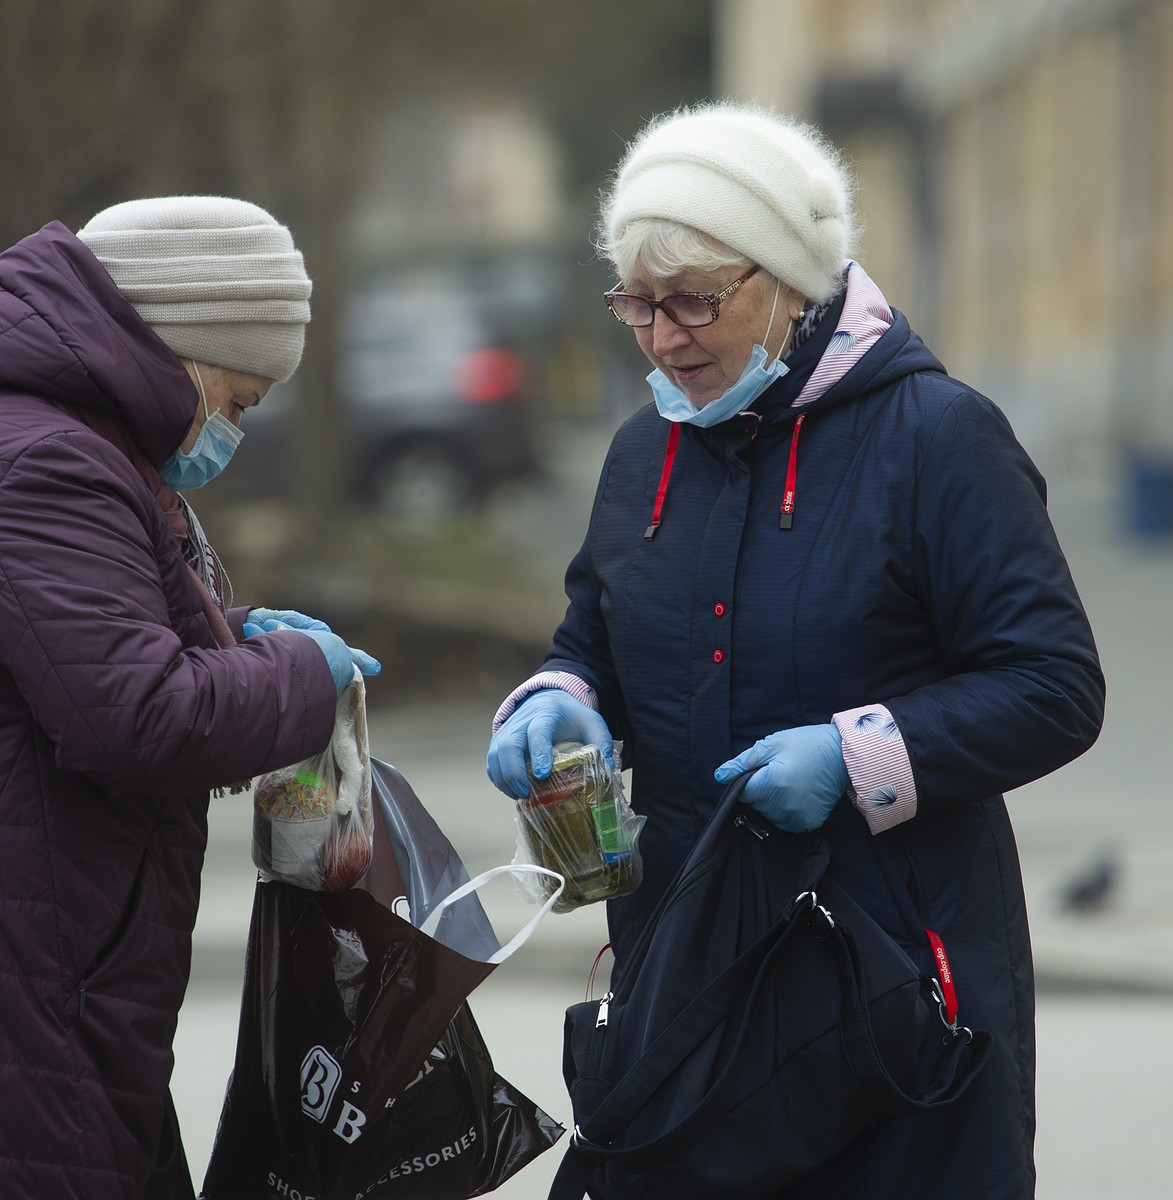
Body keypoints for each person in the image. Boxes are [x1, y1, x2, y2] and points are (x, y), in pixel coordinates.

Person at [486, 102, 1104, 1198]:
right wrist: (560, 696)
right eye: (638, 302)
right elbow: (593, 633)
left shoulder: (937, 436)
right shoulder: (646, 451)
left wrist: (857, 755)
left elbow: (1054, 683)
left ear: (789, 282)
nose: (665, 337)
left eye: (695, 300)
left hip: (901, 997)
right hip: (690, 975)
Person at [0, 196, 380, 1200]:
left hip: (68, 979)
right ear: (180, 350)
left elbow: (90, 631)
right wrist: (303, 673)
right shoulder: (49, 462)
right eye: (241, 400)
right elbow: (140, 717)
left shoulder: (75, 441)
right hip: (41, 989)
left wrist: (237, 633)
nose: (235, 432)